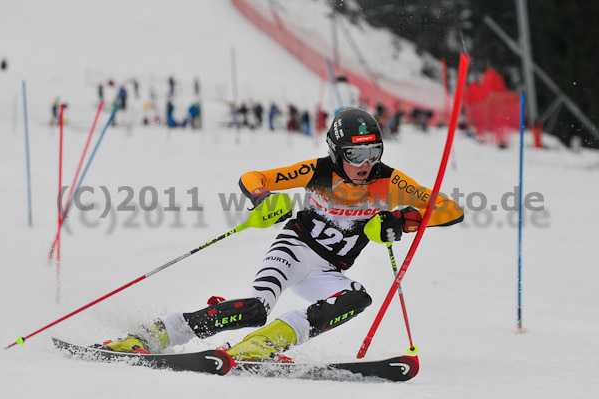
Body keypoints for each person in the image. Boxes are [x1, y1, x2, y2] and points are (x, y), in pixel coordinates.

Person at [99, 107, 464, 360]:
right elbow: (252, 178)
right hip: (293, 250)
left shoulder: (389, 181)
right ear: (337, 152)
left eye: (373, 153)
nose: (365, 165)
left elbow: (450, 210)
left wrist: (400, 222)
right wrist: (262, 200)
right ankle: (153, 335)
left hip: (328, 270)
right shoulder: (317, 171)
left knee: (356, 299)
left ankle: (263, 344)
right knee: (255, 308)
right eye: (355, 155)